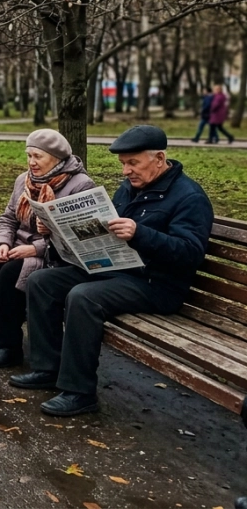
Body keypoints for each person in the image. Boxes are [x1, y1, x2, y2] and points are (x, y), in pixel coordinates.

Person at [11, 125, 214, 416]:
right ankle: (47, 369)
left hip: (156, 283)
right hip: (117, 269)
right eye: (123, 164)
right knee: (42, 280)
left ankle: (79, 392)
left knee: (84, 297)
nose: (126, 171)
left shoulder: (189, 197)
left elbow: (189, 254)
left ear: (159, 158)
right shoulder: (129, 189)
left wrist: (140, 233)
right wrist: (54, 230)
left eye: (133, 163)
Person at [0, 130, 95, 368]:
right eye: (28, 155)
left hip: (53, 255)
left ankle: (9, 347)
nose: (31, 162)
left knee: (12, 272)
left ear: (56, 157)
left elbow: (76, 235)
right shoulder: (24, 180)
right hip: (17, 246)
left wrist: (35, 249)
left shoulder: (80, 185)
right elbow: (8, 218)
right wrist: (2, 244)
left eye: (38, 156)